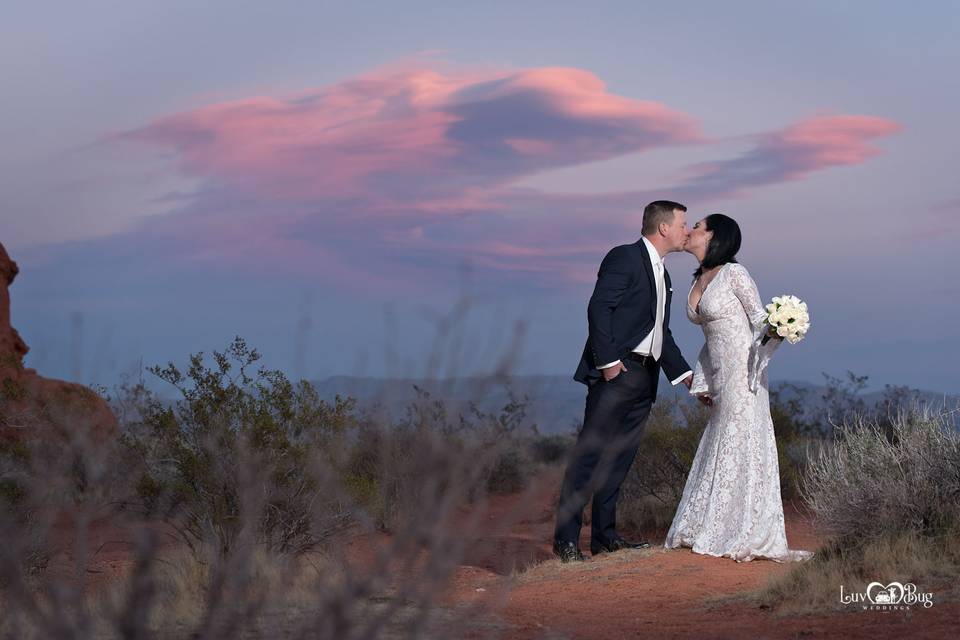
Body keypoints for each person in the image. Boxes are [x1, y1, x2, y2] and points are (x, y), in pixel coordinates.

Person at [664, 213, 813, 562]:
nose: (690, 231)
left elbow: (760, 320)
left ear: (714, 236)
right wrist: (704, 380)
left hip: (743, 377)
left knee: (739, 441)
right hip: (719, 375)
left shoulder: (735, 273)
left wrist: (782, 323)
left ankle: (741, 528)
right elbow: (711, 338)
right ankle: (708, 523)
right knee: (720, 440)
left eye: (697, 226)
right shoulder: (699, 277)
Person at [554, 200, 693, 562]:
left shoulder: (663, 274)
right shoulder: (624, 257)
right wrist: (610, 363)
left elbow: (660, 332)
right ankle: (566, 541)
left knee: (619, 460)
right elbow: (598, 308)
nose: (686, 231)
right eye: (683, 224)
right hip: (617, 374)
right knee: (589, 458)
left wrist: (684, 375)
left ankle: (604, 537)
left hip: (645, 378)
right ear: (663, 227)